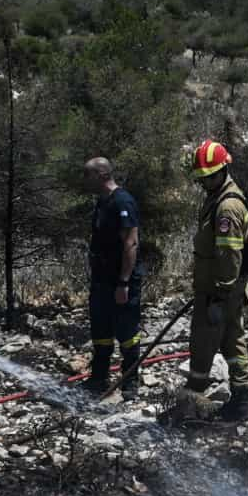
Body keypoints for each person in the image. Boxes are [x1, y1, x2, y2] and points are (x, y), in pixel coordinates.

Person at [183, 139, 248, 421]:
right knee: (233, 342)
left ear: (223, 170)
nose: (204, 182)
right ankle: (241, 400)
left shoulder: (227, 208)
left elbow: (229, 254)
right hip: (226, 290)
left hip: (219, 291)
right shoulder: (219, 197)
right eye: (201, 178)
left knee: (203, 343)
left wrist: (219, 295)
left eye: (209, 177)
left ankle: (191, 405)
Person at [83, 156, 145, 395]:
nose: (84, 181)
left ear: (101, 175)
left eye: (87, 175)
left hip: (120, 280)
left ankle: (130, 382)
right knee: (100, 330)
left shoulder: (122, 202)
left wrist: (124, 282)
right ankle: (99, 378)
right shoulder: (101, 202)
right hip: (101, 279)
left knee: (127, 332)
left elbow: (131, 243)